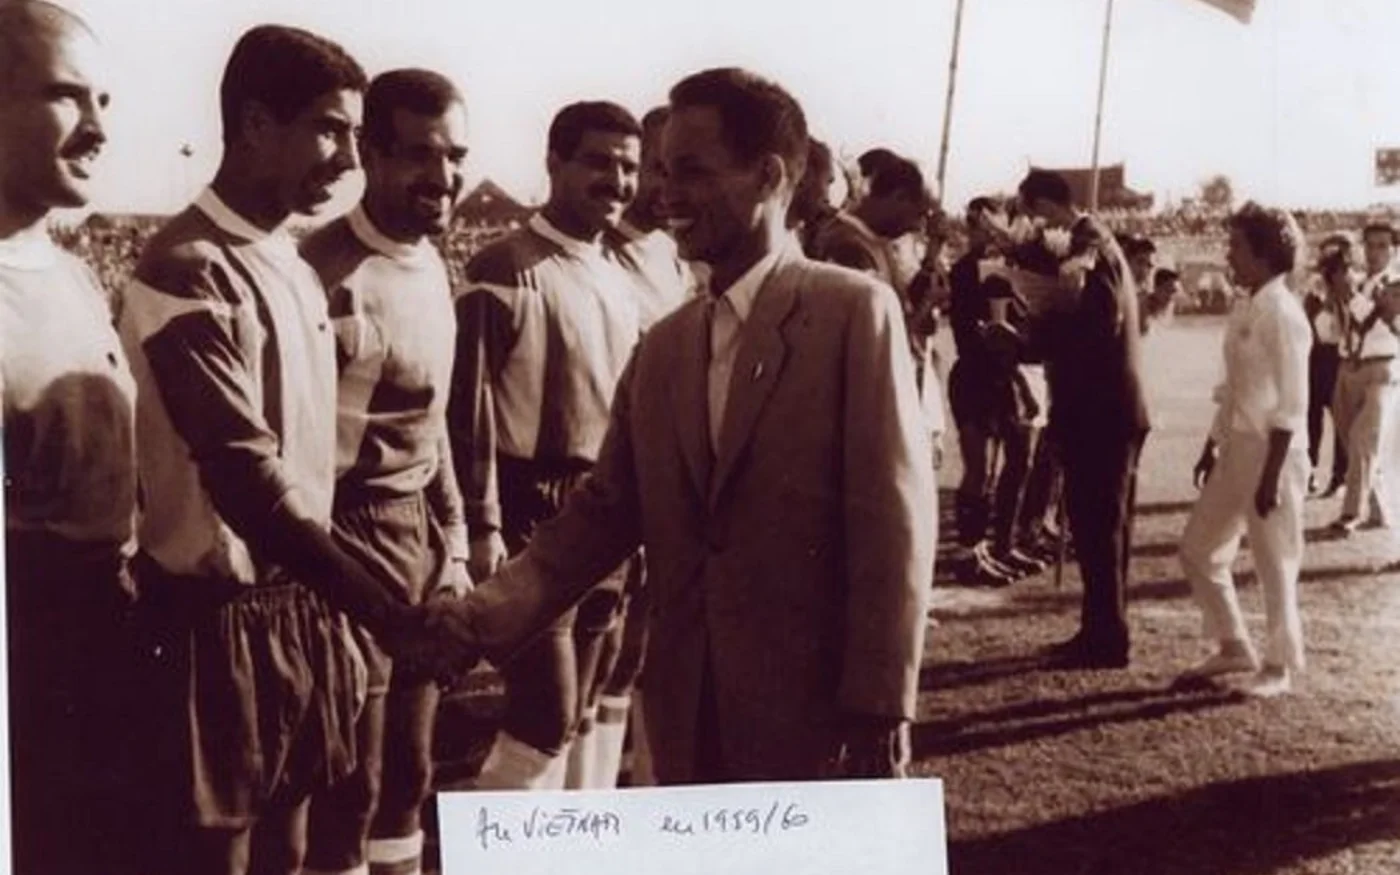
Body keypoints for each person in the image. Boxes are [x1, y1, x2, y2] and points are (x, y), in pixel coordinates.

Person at [450, 66, 935, 784]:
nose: (664, 193)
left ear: (768, 176)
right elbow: (600, 516)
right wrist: (471, 621)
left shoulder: (853, 313)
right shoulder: (666, 344)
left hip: (817, 726)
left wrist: (881, 702)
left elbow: (894, 520)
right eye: (663, 171)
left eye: (692, 172)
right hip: (685, 722)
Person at [118, 26, 454, 875]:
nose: (348, 158)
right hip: (215, 618)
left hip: (302, 607)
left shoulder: (293, 263)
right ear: (256, 123)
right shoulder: (186, 266)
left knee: (299, 848)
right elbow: (246, 478)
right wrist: (385, 612)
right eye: (330, 130)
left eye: (353, 134)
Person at [299, 68, 472, 875]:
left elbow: (433, 426)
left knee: (409, 771)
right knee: (352, 786)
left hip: (417, 537)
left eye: (455, 156)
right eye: (419, 155)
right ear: (368, 152)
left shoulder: (432, 261)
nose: (443, 177)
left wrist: (457, 544)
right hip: (338, 540)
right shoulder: (320, 270)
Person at [450, 100, 646, 790]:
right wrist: (482, 523)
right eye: (599, 162)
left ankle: (551, 838)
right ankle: (491, 839)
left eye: (629, 167)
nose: (617, 181)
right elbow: (467, 410)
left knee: (579, 710)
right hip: (531, 506)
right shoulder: (503, 266)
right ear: (554, 163)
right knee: (545, 713)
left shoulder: (617, 273)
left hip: (605, 506)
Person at [0, 4, 140, 872]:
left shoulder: (75, 273)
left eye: (104, 100)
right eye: (66, 96)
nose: (98, 129)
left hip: (109, 639)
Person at [1017, 169, 1149, 669]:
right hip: (1098, 407)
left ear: (1046, 206)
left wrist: (1039, 330)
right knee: (1096, 527)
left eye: (1031, 214)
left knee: (1101, 527)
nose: (1032, 226)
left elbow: (1099, 322)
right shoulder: (1088, 240)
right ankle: (1099, 630)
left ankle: (1107, 638)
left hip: (1103, 409)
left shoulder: (1090, 243)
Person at [1179, 203, 1310, 698]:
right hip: (1237, 447)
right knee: (1199, 549)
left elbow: (1293, 404)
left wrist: (1271, 475)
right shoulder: (1245, 305)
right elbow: (1234, 389)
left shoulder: (1284, 313)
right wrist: (1211, 444)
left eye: (1236, 245)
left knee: (1275, 561)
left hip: (1275, 454)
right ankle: (1234, 644)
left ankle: (1278, 667)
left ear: (1263, 252)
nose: (1228, 254)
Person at [807, 152, 948, 485]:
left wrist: (932, 256)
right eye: (919, 214)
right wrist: (922, 313)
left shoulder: (875, 244)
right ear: (898, 197)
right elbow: (874, 337)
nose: (917, 227)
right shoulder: (848, 246)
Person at [1329, 222, 1400, 535]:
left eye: (1382, 245)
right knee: (1357, 444)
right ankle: (1379, 508)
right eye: (1370, 245)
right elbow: (1333, 327)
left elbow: (1377, 319)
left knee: (1362, 440)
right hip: (1349, 367)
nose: (1374, 252)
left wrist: (1349, 296)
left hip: (1382, 369)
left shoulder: (1395, 283)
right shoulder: (1359, 282)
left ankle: (1351, 513)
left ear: (1395, 250)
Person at [1305, 240, 1351, 496]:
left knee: (1341, 422)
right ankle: (1309, 471)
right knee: (1312, 420)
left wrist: (1340, 302)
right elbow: (1310, 329)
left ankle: (1339, 476)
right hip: (1316, 360)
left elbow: (1348, 331)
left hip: (1338, 361)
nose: (1347, 275)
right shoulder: (1314, 298)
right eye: (1342, 270)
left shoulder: (1348, 298)